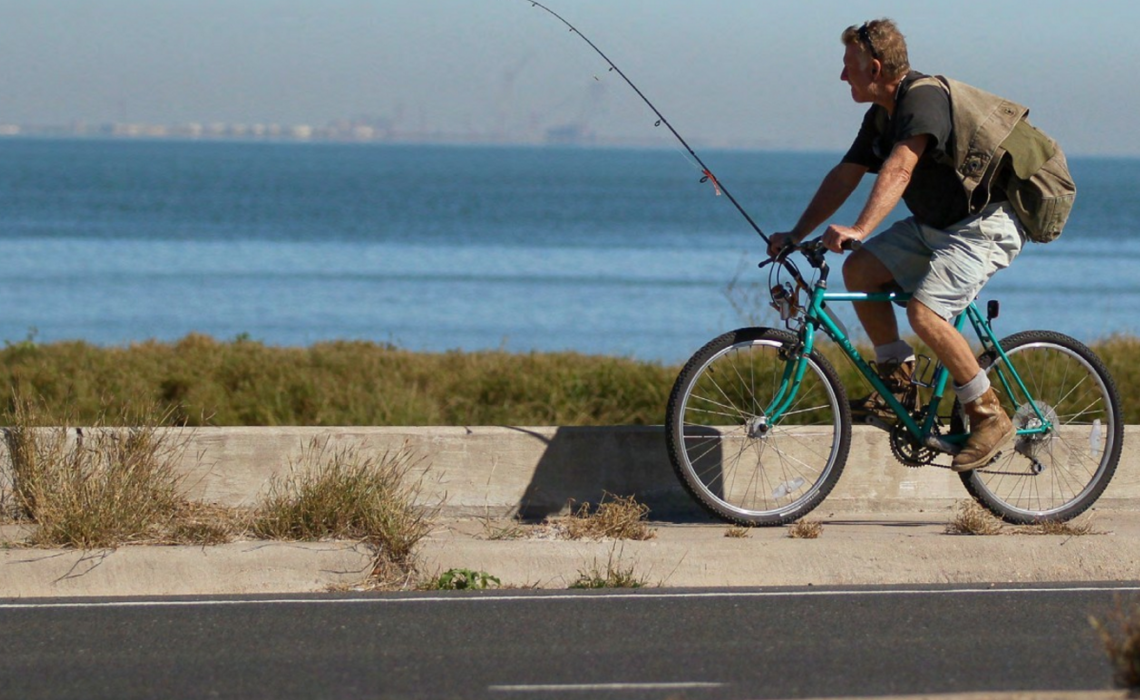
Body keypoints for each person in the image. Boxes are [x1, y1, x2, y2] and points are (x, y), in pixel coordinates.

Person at [767, 19, 1022, 472]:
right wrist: (795, 234)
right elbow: (845, 175)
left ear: (876, 68)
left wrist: (860, 228)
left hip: (983, 226)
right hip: (936, 225)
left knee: (924, 313)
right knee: (861, 270)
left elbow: (900, 169)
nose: (843, 76)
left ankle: (989, 414)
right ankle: (899, 384)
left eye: (849, 66)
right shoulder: (881, 114)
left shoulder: (922, 99)